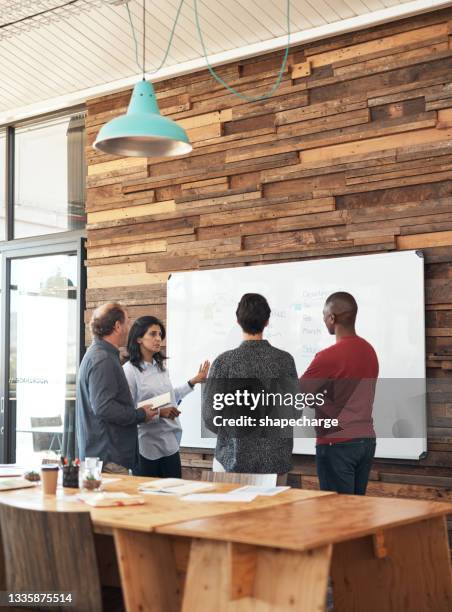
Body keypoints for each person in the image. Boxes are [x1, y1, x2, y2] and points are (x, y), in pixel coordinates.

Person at [202, 293, 299, 477]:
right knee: (273, 507)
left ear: (238, 321)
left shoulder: (223, 363)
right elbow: (294, 411)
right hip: (275, 461)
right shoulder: (285, 361)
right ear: (267, 321)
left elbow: (210, 417)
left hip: (232, 460)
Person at [300, 291, 379, 495]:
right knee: (356, 512)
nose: (324, 320)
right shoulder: (369, 351)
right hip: (366, 441)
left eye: (324, 315)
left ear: (332, 318)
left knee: (339, 516)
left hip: (337, 444)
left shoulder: (327, 357)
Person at [123, 315, 210, 478]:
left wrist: (193, 381)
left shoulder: (161, 368)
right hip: (146, 448)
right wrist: (160, 413)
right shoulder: (129, 371)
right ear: (139, 338)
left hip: (170, 444)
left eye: (160, 335)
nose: (158, 339)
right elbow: (128, 412)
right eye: (153, 334)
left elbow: (169, 397)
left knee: (173, 496)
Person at [76, 303, 156, 475]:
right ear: (117, 326)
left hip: (104, 457)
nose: (129, 327)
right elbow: (104, 407)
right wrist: (140, 414)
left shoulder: (99, 355)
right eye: (127, 322)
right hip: (108, 460)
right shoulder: (103, 359)